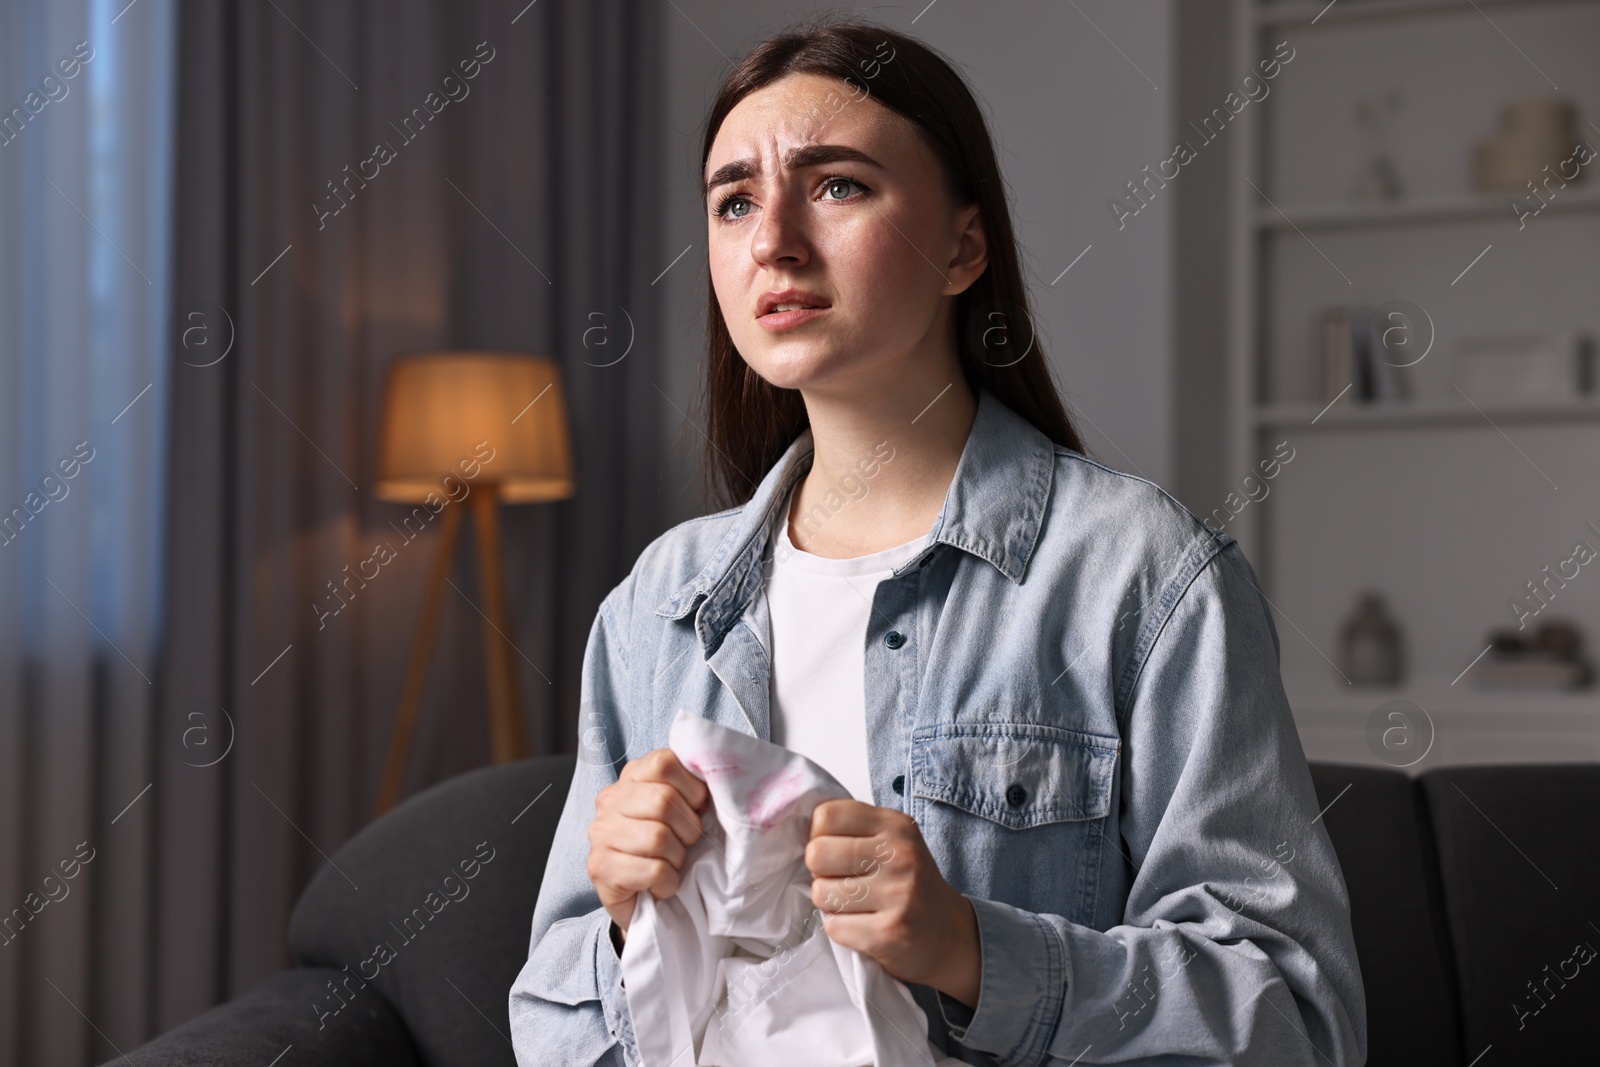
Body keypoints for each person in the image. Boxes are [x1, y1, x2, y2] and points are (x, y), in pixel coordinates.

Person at [510, 17, 1366, 1067]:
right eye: (733, 201)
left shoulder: (1141, 576)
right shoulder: (657, 604)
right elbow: (549, 1023)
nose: (771, 236)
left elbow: (1296, 1020)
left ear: (965, 246)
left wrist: (971, 950)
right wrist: (613, 922)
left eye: (837, 186)